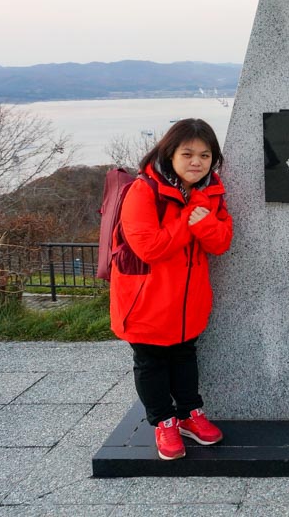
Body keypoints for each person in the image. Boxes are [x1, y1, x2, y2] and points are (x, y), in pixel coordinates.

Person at [109, 118, 234, 461]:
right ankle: (163, 421)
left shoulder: (211, 191)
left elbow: (222, 241)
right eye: (188, 153)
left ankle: (190, 415)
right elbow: (149, 247)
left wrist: (203, 220)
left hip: (188, 300)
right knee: (150, 362)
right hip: (145, 300)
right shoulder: (143, 190)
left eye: (205, 155)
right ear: (170, 153)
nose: (197, 162)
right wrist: (190, 219)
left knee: (184, 356)